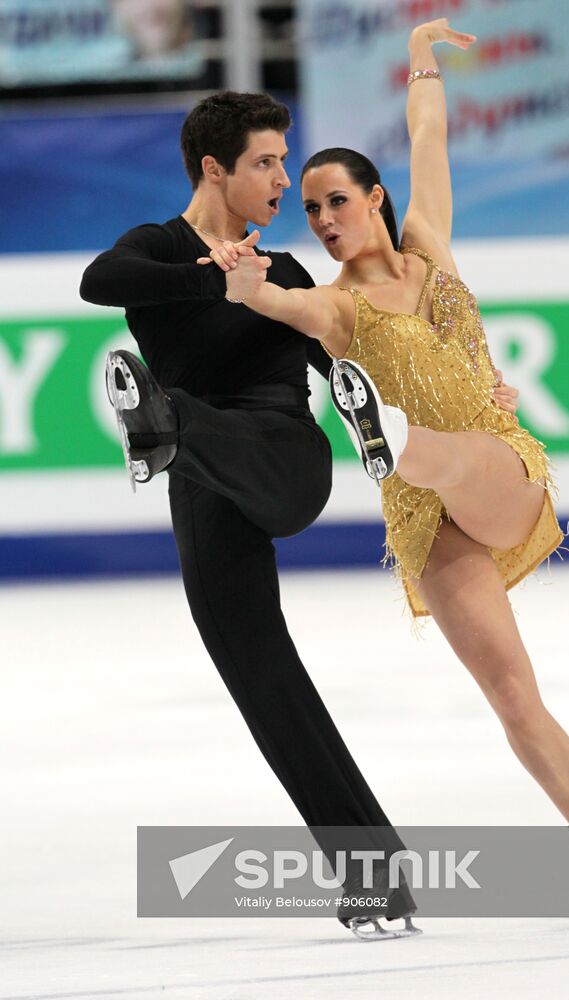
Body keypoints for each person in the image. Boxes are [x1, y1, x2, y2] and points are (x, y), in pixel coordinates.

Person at [202, 20, 569, 927]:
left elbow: (426, 135)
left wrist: (418, 55)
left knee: (454, 450)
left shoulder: (428, 242)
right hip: (424, 517)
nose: (322, 221)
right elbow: (271, 299)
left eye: (336, 201)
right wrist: (243, 281)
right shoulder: (332, 309)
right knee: (511, 692)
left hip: (498, 472)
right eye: (311, 210)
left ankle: (391, 435)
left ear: (374, 198)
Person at [79, 88, 521, 941]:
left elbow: (353, 374)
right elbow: (103, 281)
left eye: (286, 160)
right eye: (267, 162)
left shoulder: (283, 273)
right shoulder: (158, 249)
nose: (286, 179)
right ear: (215, 168)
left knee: (194, 421)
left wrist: (472, 408)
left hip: (283, 459)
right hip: (204, 483)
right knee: (263, 680)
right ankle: (375, 875)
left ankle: (163, 421)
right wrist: (207, 277)